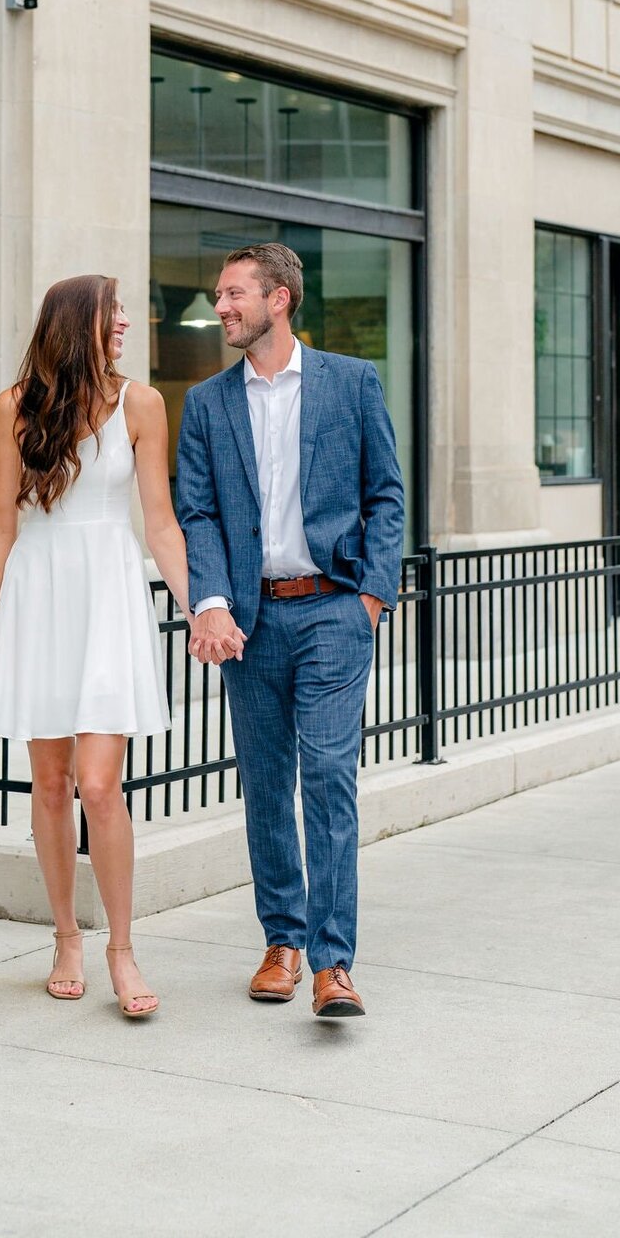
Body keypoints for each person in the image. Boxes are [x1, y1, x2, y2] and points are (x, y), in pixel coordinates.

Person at [175, 243, 404, 1019]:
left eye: (234, 293)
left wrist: (370, 599)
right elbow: (197, 512)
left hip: (334, 610)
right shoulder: (207, 404)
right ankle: (282, 940)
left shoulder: (351, 382)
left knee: (330, 780)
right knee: (267, 785)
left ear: (279, 299)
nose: (222, 307)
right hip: (251, 618)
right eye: (219, 295)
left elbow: (387, 497)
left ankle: (334, 963)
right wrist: (209, 600)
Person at [0, 275, 188, 1018]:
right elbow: (1, 520)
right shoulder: (15, 408)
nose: (125, 322)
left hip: (108, 596)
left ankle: (122, 949)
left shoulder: (142, 404)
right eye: (113, 312)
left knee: (98, 784)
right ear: (75, 324)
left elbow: (160, 523)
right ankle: (66, 937)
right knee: (51, 785)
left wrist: (201, 608)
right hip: (40, 597)